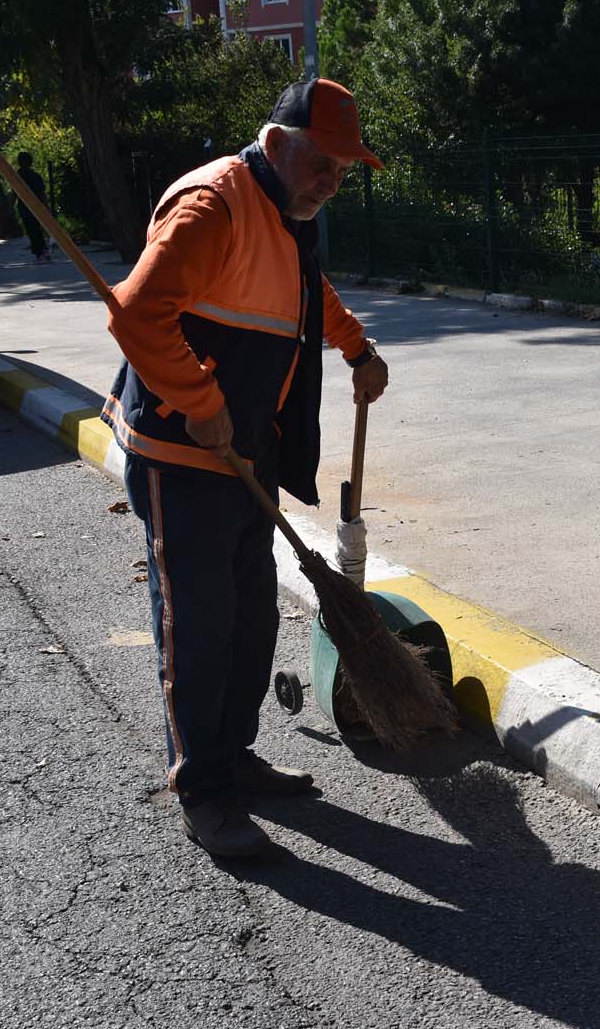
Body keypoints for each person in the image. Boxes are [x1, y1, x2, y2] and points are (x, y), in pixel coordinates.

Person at [101, 78, 388, 859]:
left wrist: (356, 346)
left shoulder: (281, 212)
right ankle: (202, 789)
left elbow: (304, 291)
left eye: (343, 170)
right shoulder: (213, 204)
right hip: (181, 456)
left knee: (251, 619)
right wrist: (196, 398)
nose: (332, 182)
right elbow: (135, 313)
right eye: (322, 163)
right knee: (198, 628)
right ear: (277, 143)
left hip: (246, 449)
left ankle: (234, 755)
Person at [13, 152, 52, 263]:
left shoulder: (17, 175)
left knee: (32, 231)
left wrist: (10, 206)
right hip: (37, 206)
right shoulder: (36, 176)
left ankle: (40, 253)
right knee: (37, 229)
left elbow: (14, 193)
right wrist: (47, 206)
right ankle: (44, 250)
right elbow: (42, 193)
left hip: (25, 207)